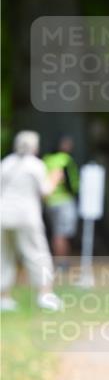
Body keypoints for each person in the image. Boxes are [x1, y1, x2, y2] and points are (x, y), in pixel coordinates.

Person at [1, 131, 65, 311]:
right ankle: (45, 294)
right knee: (37, 254)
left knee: (3, 256)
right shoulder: (35, 165)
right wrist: (55, 178)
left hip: (3, 215)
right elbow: (45, 191)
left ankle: (3, 297)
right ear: (35, 147)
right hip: (26, 216)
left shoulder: (6, 162)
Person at [43, 135, 79, 263]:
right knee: (61, 234)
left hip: (49, 202)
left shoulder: (46, 159)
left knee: (56, 233)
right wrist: (74, 193)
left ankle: (59, 261)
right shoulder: (65, 159)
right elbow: (70, 182)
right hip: (64, 201)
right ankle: (62, 263)